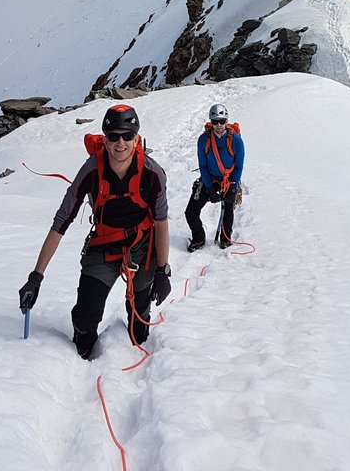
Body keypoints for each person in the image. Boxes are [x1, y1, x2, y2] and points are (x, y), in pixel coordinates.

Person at [18, 104, 171, 360]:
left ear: (136, 138)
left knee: (139, 322)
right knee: (85, 317)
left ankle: (138, 331)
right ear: (105, 139)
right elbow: (61, 223)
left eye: (127, 136)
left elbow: (161, 222)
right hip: (104, 246)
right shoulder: (91, 171)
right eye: (113, 136)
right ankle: (82, 353)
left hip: (143, 247)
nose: (120, 143)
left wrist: (162, 270)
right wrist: (36, 277)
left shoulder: (152, 173)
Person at [185, 102, 244, 252]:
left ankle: (225, 239)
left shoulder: (236, 140)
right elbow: (203, 166)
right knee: (191, 211)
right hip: (209, 179)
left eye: (222, 121)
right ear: (211, 122)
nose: (218, 125)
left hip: (229, 180)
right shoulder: (203, 140)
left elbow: (238, 166)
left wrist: (233, 186)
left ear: (226, 121)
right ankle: (198, 238)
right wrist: (210, 189)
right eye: (215, 122)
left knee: (228, 209)